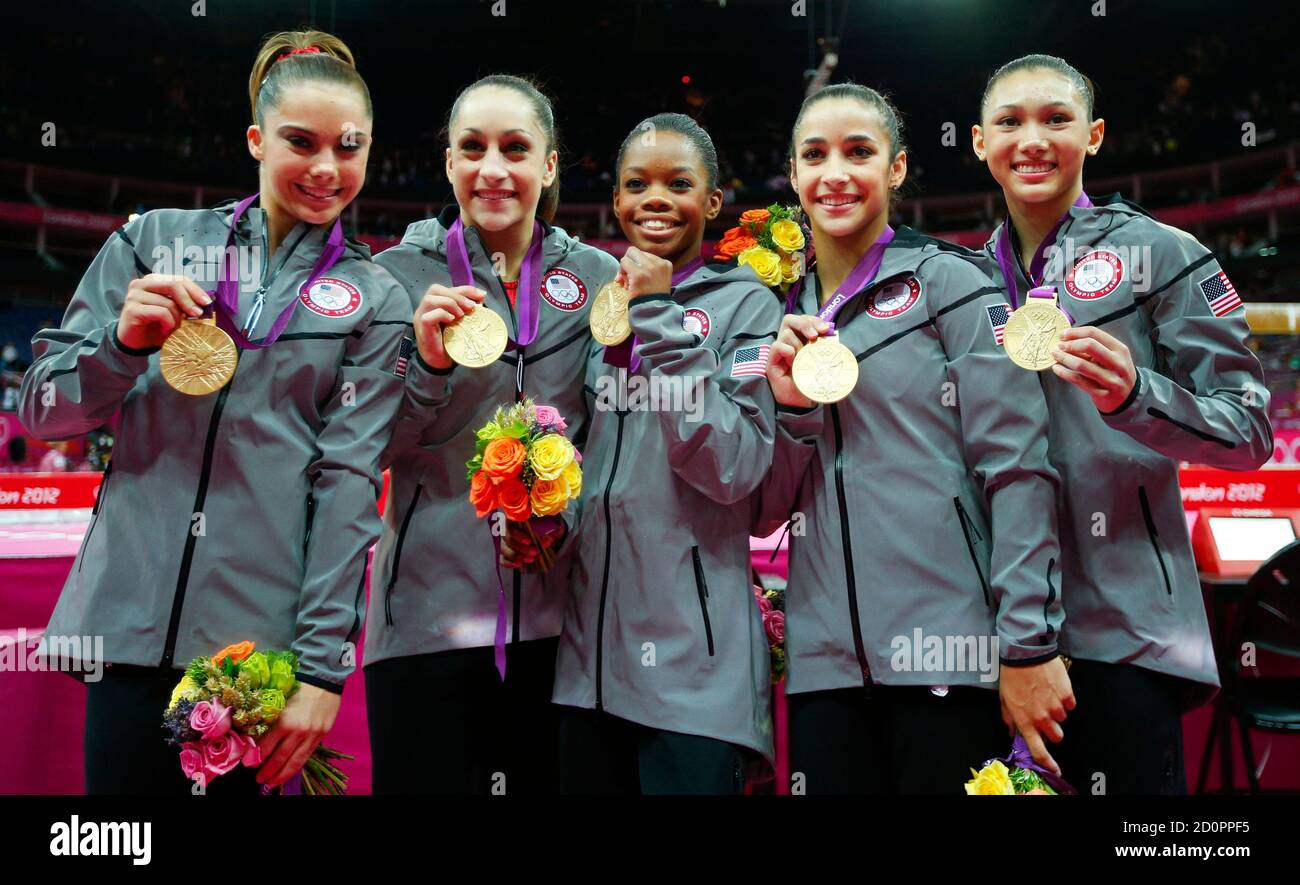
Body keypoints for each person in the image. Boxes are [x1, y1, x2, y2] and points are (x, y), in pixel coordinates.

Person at [19, 30, 408, 794]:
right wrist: (120, 345)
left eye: (349, 146)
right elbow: (43, 410)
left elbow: (348, 484)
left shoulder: (375, 299)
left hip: (254, 657)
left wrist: (324, 668)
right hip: (128, 633)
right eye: (301, 141)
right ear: (257, 139)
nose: (327, 169)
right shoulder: (152, 242)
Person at [755, 83, 1072, 794]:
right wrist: (790, 406)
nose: (835, 172)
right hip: (823, 675)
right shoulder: (773, 317)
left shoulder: (952, 282)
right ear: (796, 176)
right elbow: (767, 506)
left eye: (859, 151)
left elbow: (1018, 466)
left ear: (895, 169)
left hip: (949, 660)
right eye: (815, 155)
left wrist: (1026, 644)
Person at [972, 54, 1273, 793]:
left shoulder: (1162, 254)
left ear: (1095, 134)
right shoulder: (964, 284)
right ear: (979, 142)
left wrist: (1139, 395)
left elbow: (1250, 433)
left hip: (1126, 631)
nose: (1031, 139)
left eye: (1056, 119)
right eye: (1009, 122)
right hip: (995, 636)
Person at [362, 74, 619, 795]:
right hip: (421, 627)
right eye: (472, 148)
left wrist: (561, 520)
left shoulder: (599, 277)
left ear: (550, 163)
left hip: (557, 629)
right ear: (448, 163)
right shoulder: (392, 279)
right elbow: (368, 445)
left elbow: (613, 439)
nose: (493, 169)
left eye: (516, 147)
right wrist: (429, 366)